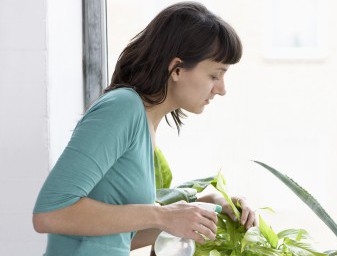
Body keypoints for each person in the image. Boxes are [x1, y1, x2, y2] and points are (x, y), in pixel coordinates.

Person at [32, 2, 257, 255]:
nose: (221, 89)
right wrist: (162, 215)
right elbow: (49, 214)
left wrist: (205, 209)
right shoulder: (122, 108)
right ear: (177, 69)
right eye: (215, 75)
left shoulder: (144, 121)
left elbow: (117, 237)